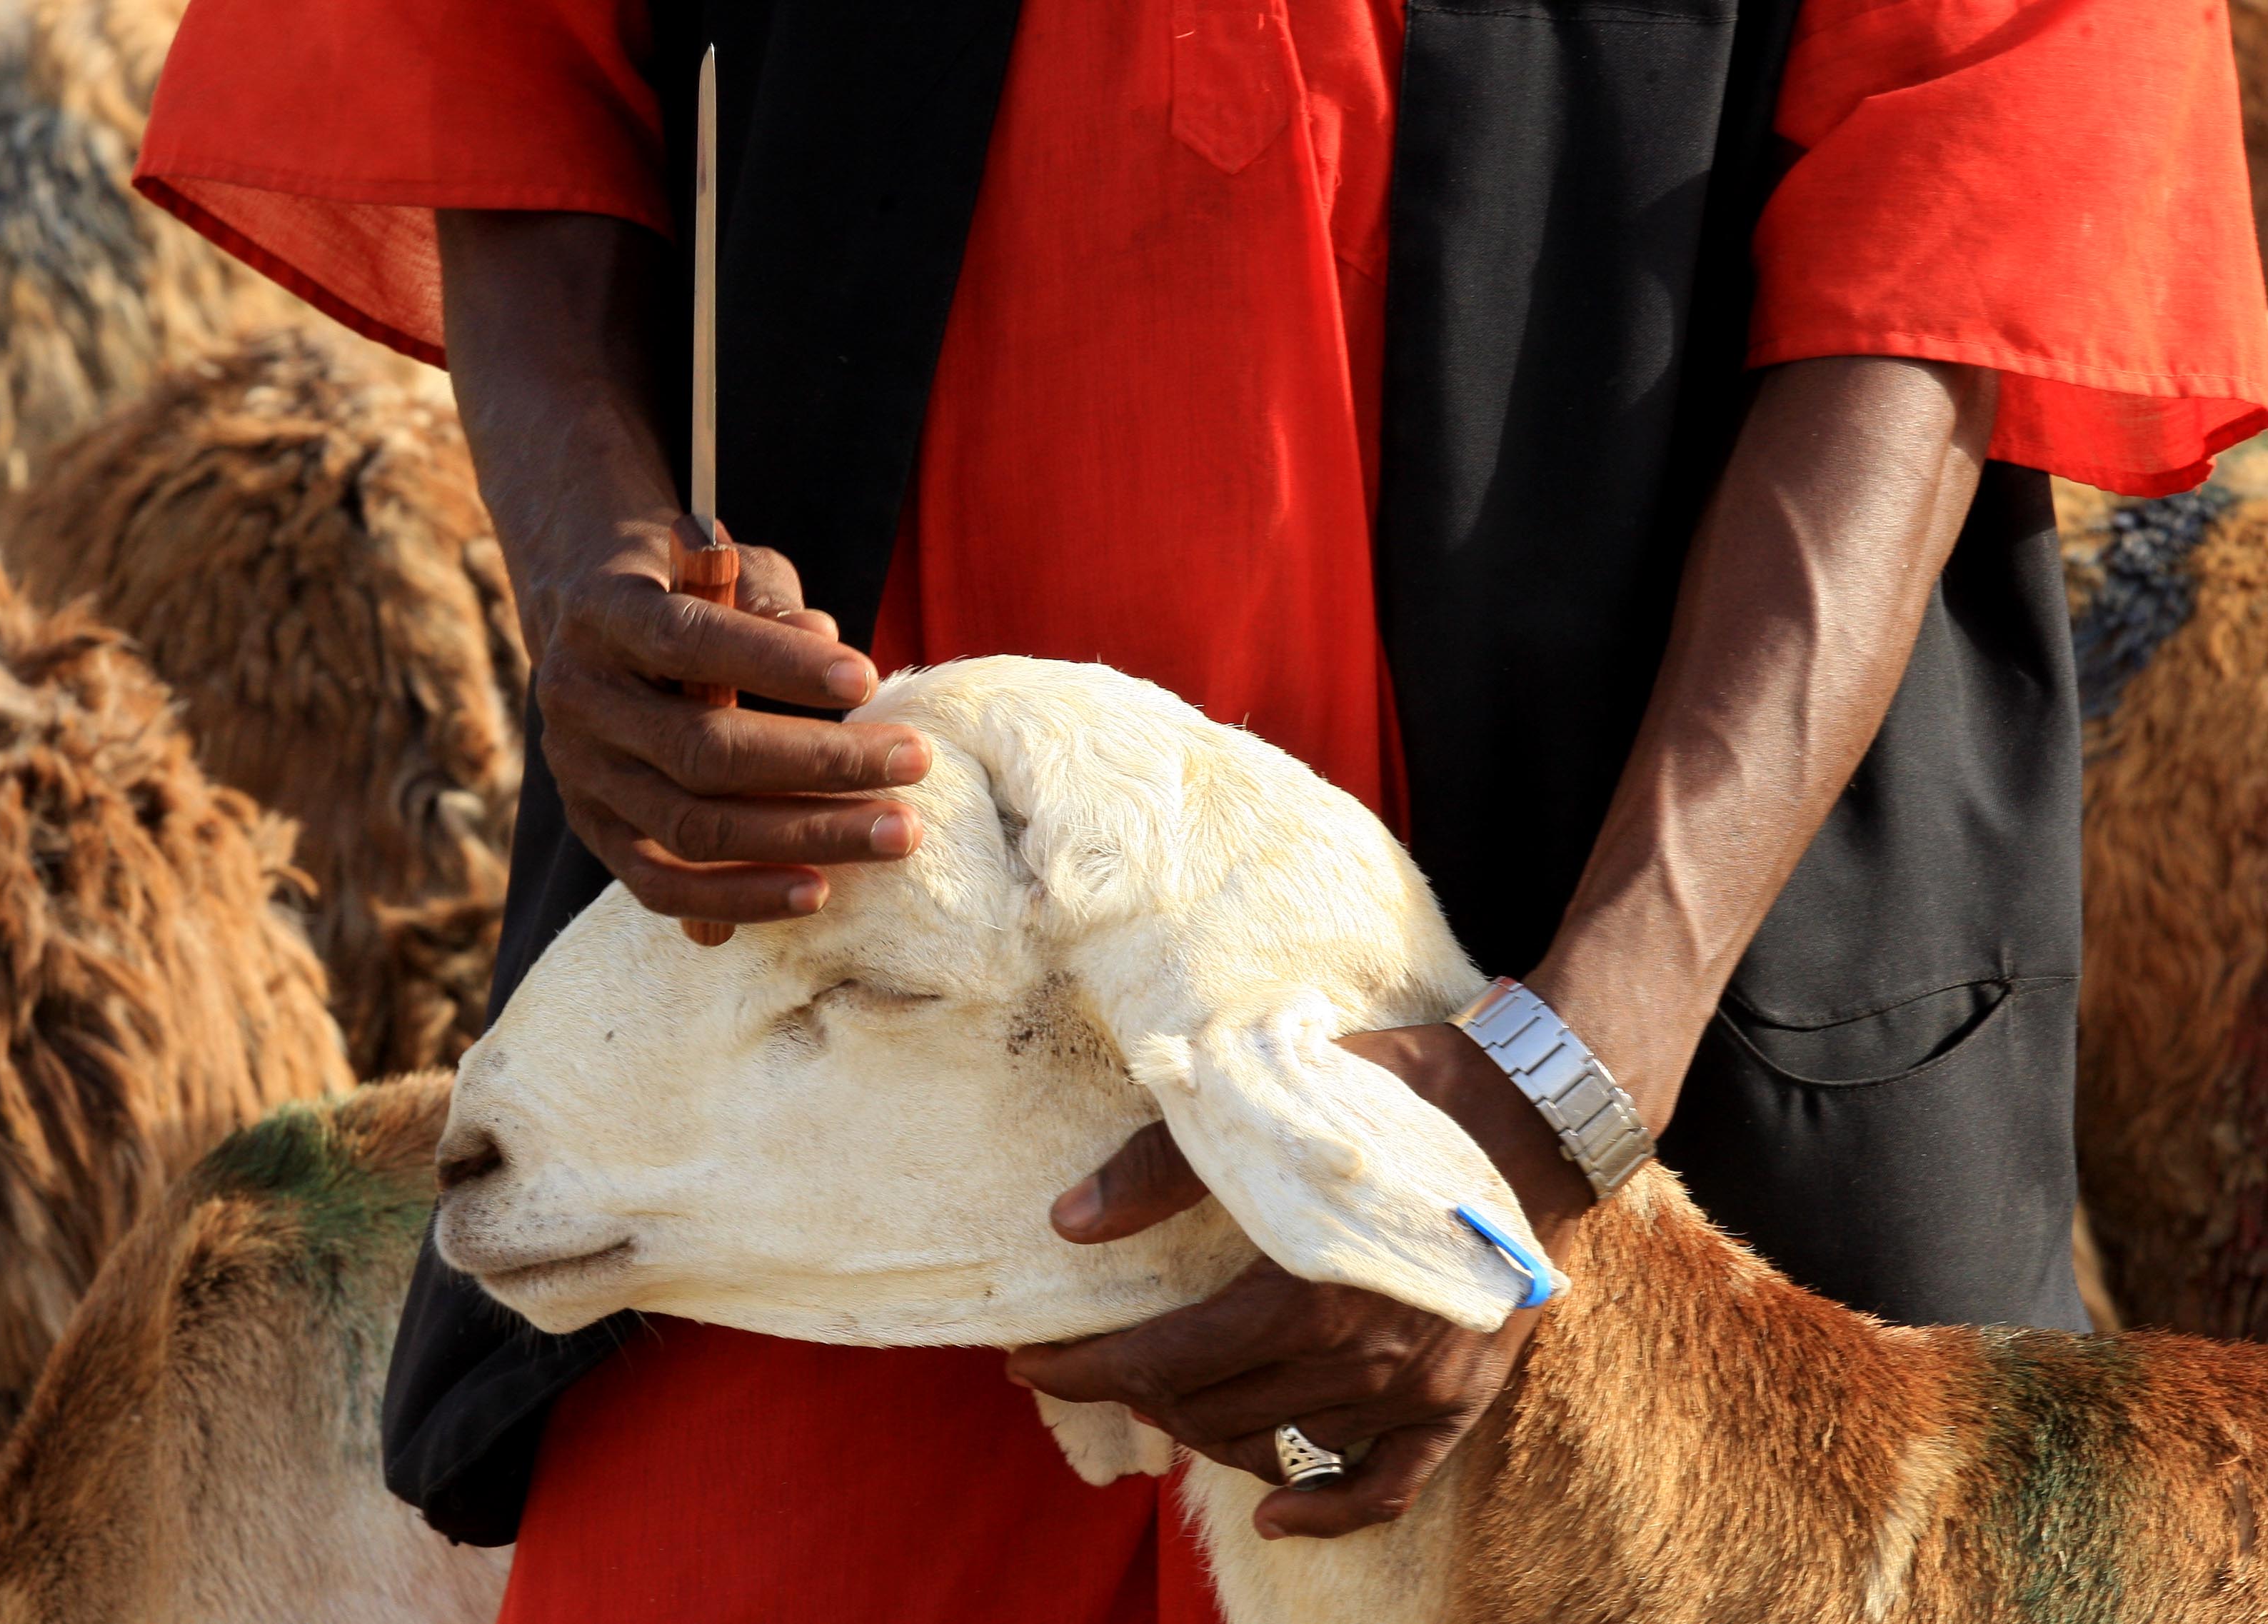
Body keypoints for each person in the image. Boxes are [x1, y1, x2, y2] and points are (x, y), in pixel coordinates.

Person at [135, 1, 2268, 1618]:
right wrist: (600, 567)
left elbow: (1971, 171)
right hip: (828, 1063)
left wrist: (1561, 1087)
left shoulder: (1575, 1097)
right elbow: (490, 59)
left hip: (1623, 1046)